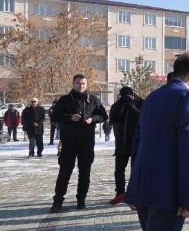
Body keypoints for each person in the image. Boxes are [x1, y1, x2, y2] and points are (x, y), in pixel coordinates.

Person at [124, 52, 189, 231]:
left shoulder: (152, 97)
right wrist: (188, 199)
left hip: (144, 189)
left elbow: (137, 143)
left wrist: (134, 189)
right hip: (168, 195)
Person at [50, 74, 108, 212]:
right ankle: (58, 201)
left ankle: (81, 199)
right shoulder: (64, 100)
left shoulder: (93, 99)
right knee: (64, 172)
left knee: (85, 173)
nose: (81, 86)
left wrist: (92, 119)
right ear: (73, 83)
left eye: (83, 84)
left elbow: (104, 116)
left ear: (86, 85)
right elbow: (54, 116)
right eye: (78, 83)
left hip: (86, 142)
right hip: (68, 142)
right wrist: (70, 117)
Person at [109, 86, 143, 202]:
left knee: (136, 169)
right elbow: (113, 118)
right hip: (121, 143)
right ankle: (120, 192)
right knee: (119, 170)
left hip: (136, 143)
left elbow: (141, 117)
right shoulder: (117, 105)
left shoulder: (140, 103)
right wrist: (122, 104)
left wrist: (130, 105)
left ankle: (136, 192)